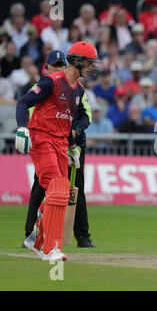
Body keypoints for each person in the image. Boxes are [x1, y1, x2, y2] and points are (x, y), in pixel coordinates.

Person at [15, 41, 100, 261]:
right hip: (42, 139)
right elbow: (23, 103)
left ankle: (34, 238)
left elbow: (68, 123)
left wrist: (73, 149)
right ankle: (50, 248)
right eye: (89, 62)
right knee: (55, 190)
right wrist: (22, 128)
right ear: (77, 61)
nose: (92, 68)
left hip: (62, 144)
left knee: (60, 195)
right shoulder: (51, 82)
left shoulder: (79, 91)